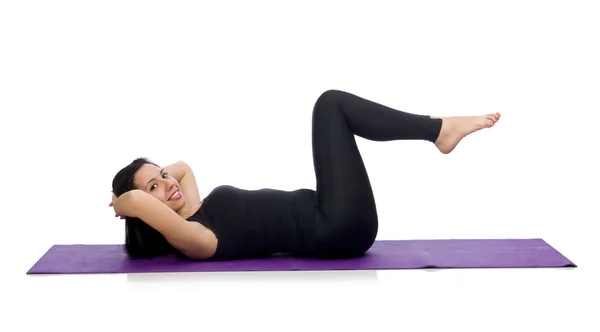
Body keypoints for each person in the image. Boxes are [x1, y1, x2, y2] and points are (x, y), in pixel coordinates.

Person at [110, 89, 500, 261]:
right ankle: (437, 130)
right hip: (336, 227)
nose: (169, 182)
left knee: (330, 105)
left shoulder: (193, 207)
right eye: (155, 187)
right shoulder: (195, 240)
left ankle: (437, 129)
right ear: (144, 212)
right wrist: (125, 202)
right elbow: (139, 202)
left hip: (328, 211)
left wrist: (157, 180)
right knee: (330, 105)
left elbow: (183, 167)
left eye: (162, 175)